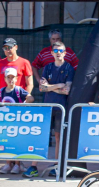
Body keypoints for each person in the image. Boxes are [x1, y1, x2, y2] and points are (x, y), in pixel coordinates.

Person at [23, 42, 75, 178]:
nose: (58, 52)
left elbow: (67, 90)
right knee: (42, 135)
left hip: (61, 108)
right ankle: (33, 166)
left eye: (61, 50)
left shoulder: (69, 68)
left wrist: (50, 87)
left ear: (65, 53)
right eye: (56, 50)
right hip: (48, 106)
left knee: (58, 137)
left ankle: (56, 166)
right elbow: (42, 88)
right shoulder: (47, 67)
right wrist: (57, 85)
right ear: (51, 53)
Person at [0, 68, 34, 174]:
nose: (10, 80)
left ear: (16, 78)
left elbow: (31, 98)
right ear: (5, 79)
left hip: (17, 122)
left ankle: (17, 165)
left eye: (12, 77)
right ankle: (8, 164)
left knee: (16, 143)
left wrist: (23, 105)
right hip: (5, 122)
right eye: (8, 77)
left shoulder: (19, 90)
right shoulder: (2, 91)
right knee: (6, 142)